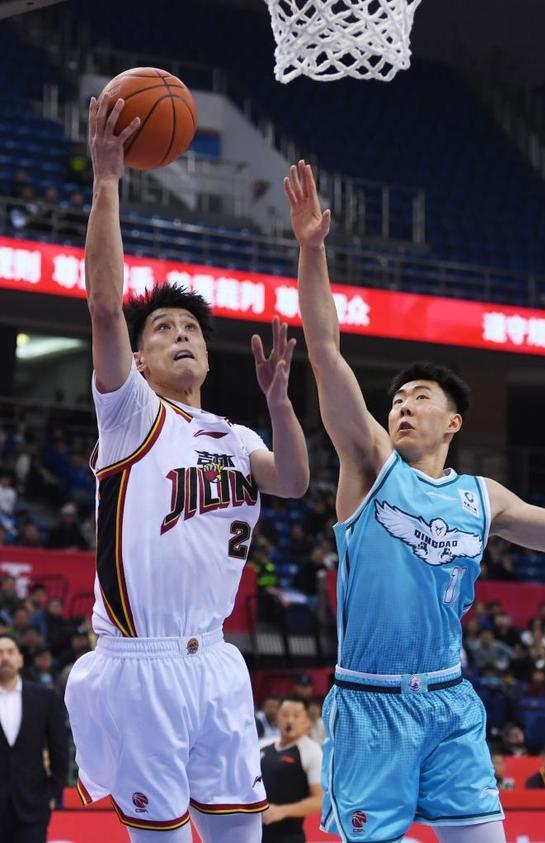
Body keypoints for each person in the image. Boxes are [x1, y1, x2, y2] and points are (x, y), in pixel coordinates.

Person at [284, 159, 545, 843]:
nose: (402, 406)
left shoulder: (482, 496)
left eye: (420, 398)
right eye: (396, 399)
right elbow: (325, 351)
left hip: (449, 702)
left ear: (453, 422)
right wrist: (312, 250)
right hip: (370, 703)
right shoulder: (370, 464)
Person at [63, 97, 310, 843]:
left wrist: (280, 404)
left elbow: (294, 480)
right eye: (164, 328)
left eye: (192, 328)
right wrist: (108, 180)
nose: (182, 335)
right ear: (139, 359)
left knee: (242, 835)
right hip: (142, 665)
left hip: (217, 663)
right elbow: (105, 307)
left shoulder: (235, 436)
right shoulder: (130, 413)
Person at [0, 633, 68, 842]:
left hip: (33, 806)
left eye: (10, 652)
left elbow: (59, 749)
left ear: (20, 659)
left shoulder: (43, 697)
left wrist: (53, 792)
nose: (5, 657)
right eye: (0, 653)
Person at [260, 697, 323, 843]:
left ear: (307, 721)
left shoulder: (311, 751)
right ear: (277, 718)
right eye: (285, 715)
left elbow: (320, 800)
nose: (290, 720)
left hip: (288, 837)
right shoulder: (262, 745)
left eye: (296, 716)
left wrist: (282, 811)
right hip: (254, 834)